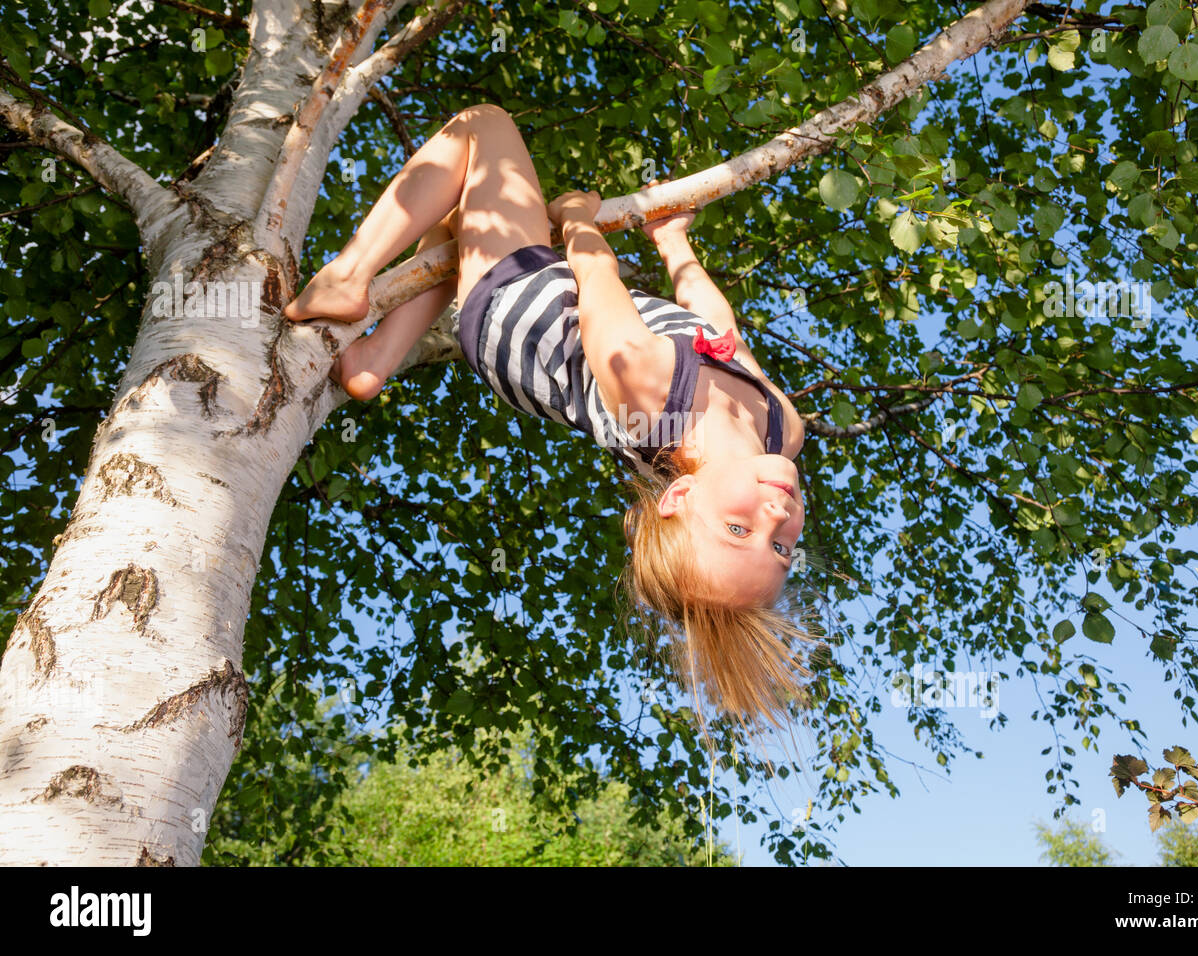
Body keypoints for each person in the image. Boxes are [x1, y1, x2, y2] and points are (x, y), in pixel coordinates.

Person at [284, 104, 822, 740]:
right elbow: (719, 329)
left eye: (739, 530)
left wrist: (574, 221)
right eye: (782, 548)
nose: (775, 520)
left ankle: (347, 276)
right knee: (460, 207)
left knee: (482, 127)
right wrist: (674, 243)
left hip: (518, 312)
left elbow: (596, 280)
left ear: (678, 495)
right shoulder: (781, 427)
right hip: (548, 303)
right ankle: (373, 358)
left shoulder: (651, 399)